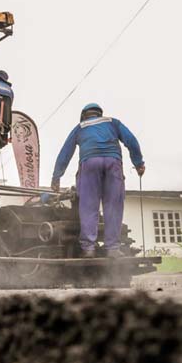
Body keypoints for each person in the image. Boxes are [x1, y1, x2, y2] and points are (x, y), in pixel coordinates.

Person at [51, 103, 145, 258]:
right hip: (113, 163)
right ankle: (113, 248)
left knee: (89, 206)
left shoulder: (80, 128)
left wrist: (56, 177)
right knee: (113, 205)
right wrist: (139, 163)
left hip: (90, 164)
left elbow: (65, 153)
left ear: (84, 115)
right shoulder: (113, 123)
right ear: (100, 114)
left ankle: (88, 248)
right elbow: (131, 141)